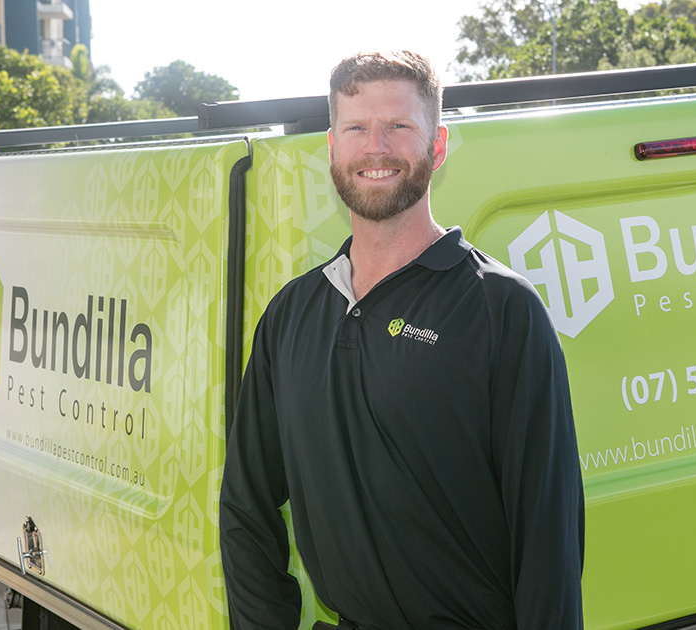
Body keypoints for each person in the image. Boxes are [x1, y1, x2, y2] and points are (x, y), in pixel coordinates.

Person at [220, 50, 584, 630]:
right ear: (332, 148)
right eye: (356, 129)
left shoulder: (501, 309)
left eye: (398, 126)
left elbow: (548, 539)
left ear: (437, 146)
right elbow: (246, 507)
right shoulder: (291, 314)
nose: (376, 147)